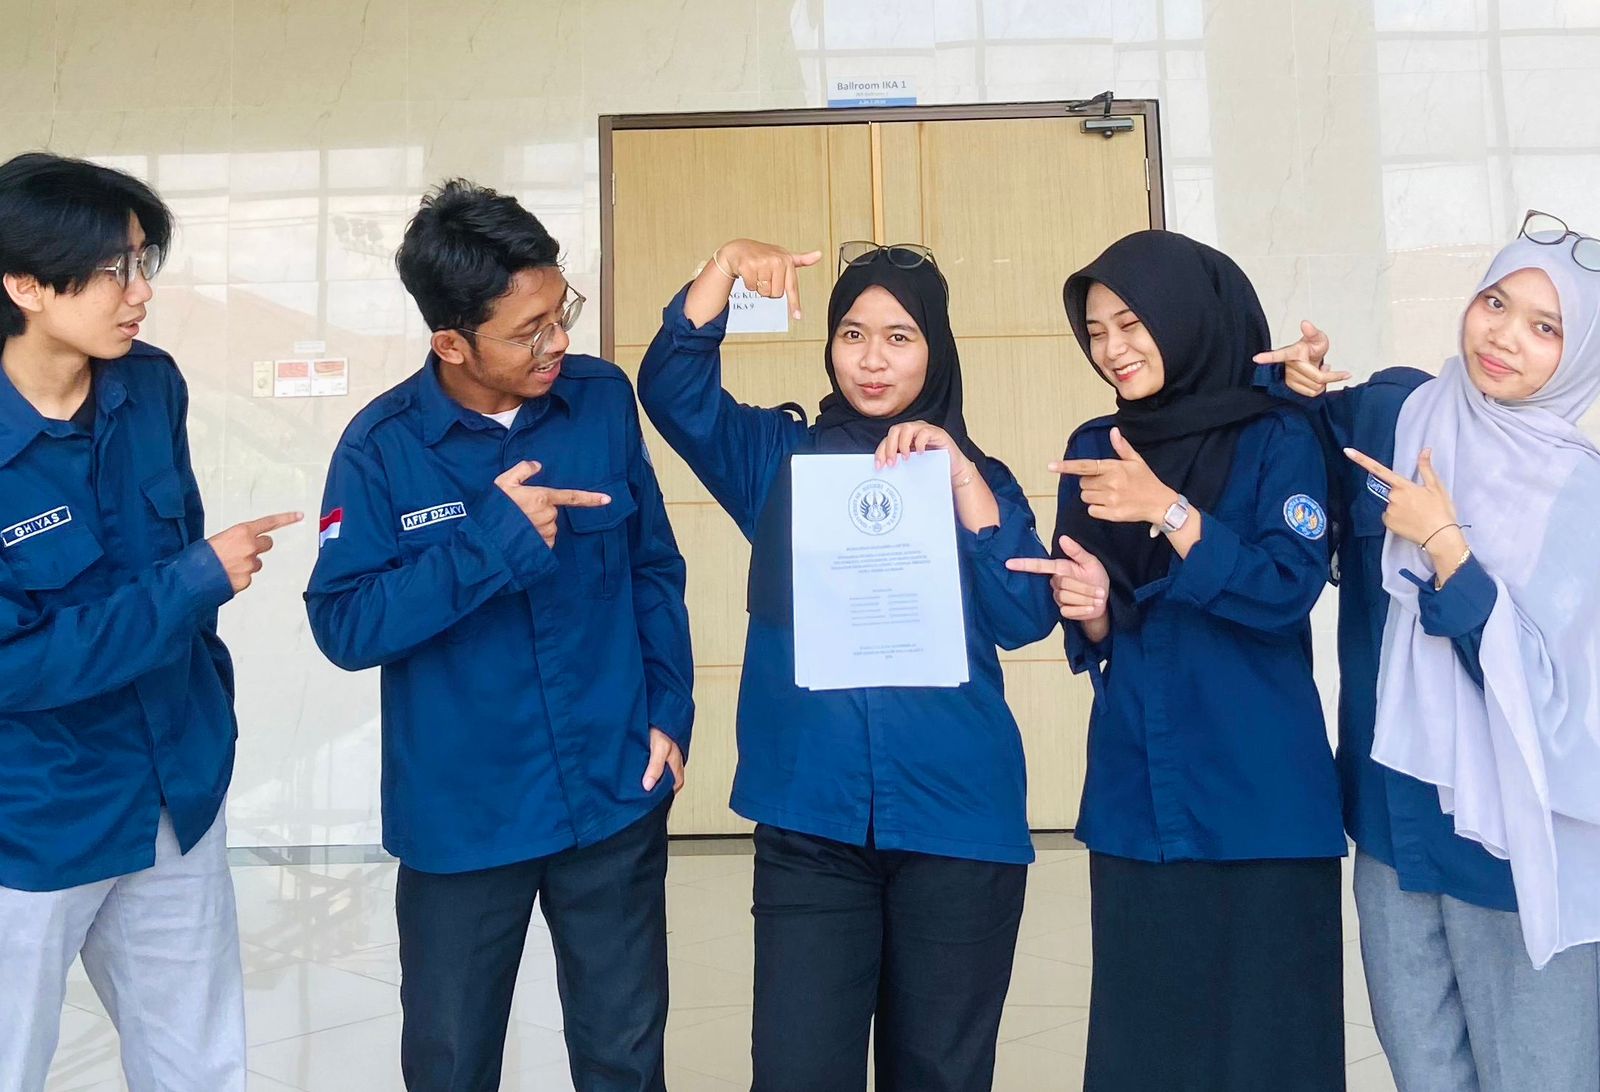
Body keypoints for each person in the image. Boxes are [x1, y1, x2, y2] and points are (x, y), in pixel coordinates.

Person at [637, 238, 1060, 1092]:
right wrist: (723, 267)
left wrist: (962, 478)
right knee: (798, 1069)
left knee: (940, 1072)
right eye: (853, 335)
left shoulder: (979, 477)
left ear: (936, 350)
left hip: (957, 819)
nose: (872, 360)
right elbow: (672, 391)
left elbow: (1025, 617)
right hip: (810, 822)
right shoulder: (776, 460)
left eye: (900, 338)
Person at [304, 179, 694, 1092]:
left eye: (562, 314)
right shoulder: (380, 448)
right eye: (528, 332)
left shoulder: (600, 399)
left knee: (626, 1053)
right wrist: (488, 547)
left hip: (612, 789)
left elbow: (653, 566)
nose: (557, 343)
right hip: (465, 815)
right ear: (451, 342)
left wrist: (668, 710)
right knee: (451, 1058)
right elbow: (345, 623)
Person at [1256, 216, 1600, 1092]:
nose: (1504, 336)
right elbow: (1291, 465)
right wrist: (1295, 384)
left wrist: (1447, 547)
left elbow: (1557, 699)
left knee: (1539, 1074)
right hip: (1393, 818)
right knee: (1424, 1070)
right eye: (1496, 303)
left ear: (1580, 355)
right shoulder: (1394, 415)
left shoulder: (1584, 497)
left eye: (1545, 327)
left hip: (1517, 842)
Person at [1008, 230, 1347, 1091]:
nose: (1113, 349)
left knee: (1273, 1052)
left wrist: (1170, 511)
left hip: (1261, 794)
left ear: (1188, 317)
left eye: (1132, 324)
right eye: (1096, 331)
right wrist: (1088, 611)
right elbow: (1100, 619)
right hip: (1140, 787)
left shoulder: (1278, 433)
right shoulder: (1096, 443)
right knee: (1147, 1051)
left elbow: (1285, 590)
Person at [0, 152, 300, 1091]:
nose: (141, 293)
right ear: (24, 284)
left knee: (198, 1066)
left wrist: (209, 717)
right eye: (113, 270)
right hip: (33, 819)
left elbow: (176, 562)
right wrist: (193, 583)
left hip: (176, 791)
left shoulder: (149, 386)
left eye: (143, 263)